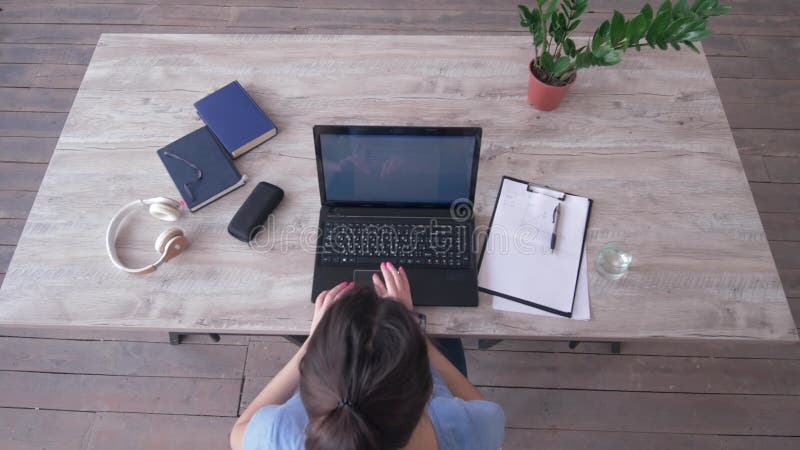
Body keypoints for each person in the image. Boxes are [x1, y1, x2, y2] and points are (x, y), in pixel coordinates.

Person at [230, 261, 505, 450]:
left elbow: (238, 433)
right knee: (450, 341)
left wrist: (312, 342)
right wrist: (416, 334)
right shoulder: (466, 430)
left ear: (310, 377)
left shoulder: (280, 434)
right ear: (425, 391)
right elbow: (483, 407)